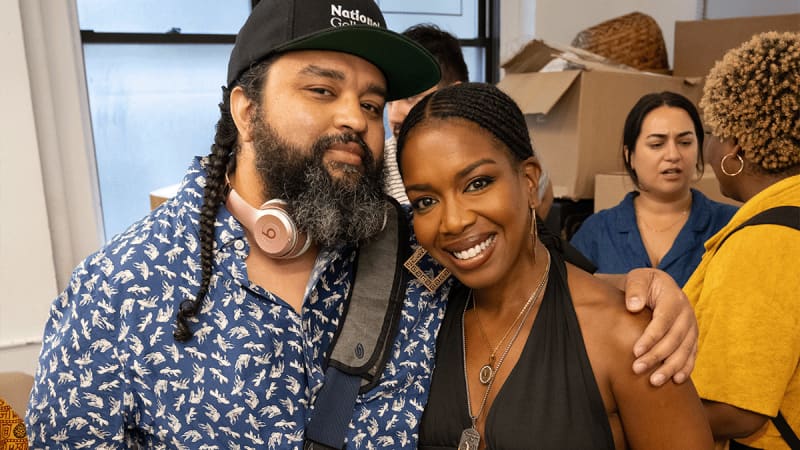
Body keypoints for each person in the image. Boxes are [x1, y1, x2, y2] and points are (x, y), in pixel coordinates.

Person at [26, 0, 698, 447]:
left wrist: (642, 289)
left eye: (371, 101)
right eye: (322, 90)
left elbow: (525, 279)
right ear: (245, 108)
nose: (354, 117)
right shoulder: (115, 295)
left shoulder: (417, 251)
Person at [396, 82, 713, 449]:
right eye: (425, 201)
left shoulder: (624, 335)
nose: (452, 222)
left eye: (477, 183)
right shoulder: (419, 321)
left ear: (530, 181)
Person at [684, 31, 800, 449]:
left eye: (712, 131)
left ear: (736, 148)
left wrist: (616, 416)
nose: (709, 148)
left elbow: (736, 411)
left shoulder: (765, 242)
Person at [382, 24, 556, 218]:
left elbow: (540, 210)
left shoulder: (507, 147)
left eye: (412, 97)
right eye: (389, 101)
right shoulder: (377, 167)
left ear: (455, 93)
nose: (394, 115)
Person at [571, 91, 737, 286]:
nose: (673, 155)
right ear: (629, 155)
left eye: (685, 143)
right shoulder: (597, 232)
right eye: (657, 144)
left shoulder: (731, 226)